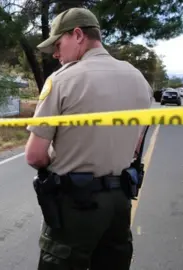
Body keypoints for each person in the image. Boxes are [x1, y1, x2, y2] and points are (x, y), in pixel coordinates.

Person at [25, 7, 152, 270]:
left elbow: (35, 155)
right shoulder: (138, 78)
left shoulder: (62, 80)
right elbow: (137, 144)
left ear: (78, 35)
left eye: (59, 44)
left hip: (75, 206)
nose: (57, 54)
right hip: (119, 203)